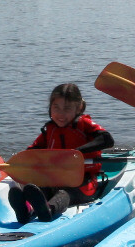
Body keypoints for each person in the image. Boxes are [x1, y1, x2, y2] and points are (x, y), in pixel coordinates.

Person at [8, 83, 114, 223]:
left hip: (83, 183)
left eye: (67, 109)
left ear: (79, 108)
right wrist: (21, 163)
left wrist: (76, 153)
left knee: (64, 194)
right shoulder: (50, 130)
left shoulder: (84, 125)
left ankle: (49, 210)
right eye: (56, 108)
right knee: (36, 188)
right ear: (50, 108)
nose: (60, 114)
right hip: (55, 180)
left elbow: (107, 140)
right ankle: (27, 210)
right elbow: (32, 151)